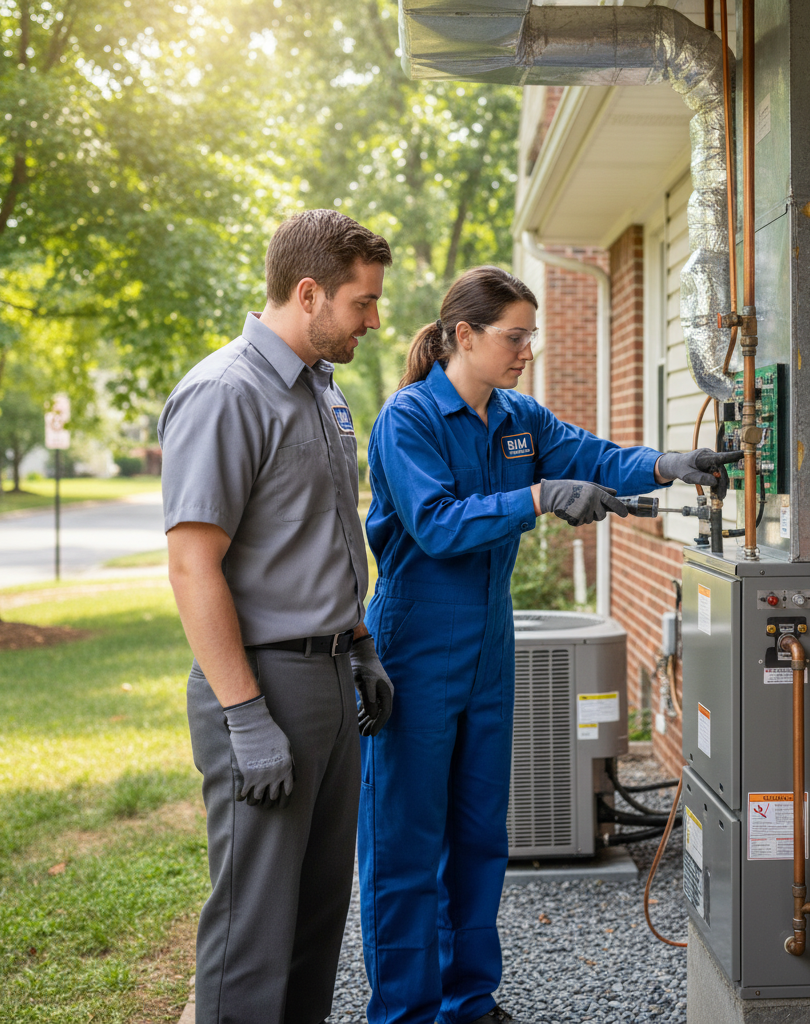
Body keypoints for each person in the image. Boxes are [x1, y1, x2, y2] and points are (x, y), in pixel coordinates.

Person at [358, 266, 741, 1024]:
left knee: (478, 833)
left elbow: (593, 457)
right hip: (415, 640)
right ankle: (403, 1012)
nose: (527, 349)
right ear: (462, 335)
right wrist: (536, 496)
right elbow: (435, 523)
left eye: (531, 335)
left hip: (487, 644)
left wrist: (670, 464)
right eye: (515, 335)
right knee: (406, 845)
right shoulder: (408, 420)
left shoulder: (517, 417)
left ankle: (469, 1002)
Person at [158, 209, 396, 1024]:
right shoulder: (225, 392)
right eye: (362, 303)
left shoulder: (322, 392)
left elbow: (320, 535)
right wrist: (245, 716)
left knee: (316, 917)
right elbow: (193, 566)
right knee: (254, 927)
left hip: (330, 677)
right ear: (308, 293)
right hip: (264, 686)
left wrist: (360, 645)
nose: (374, 320)